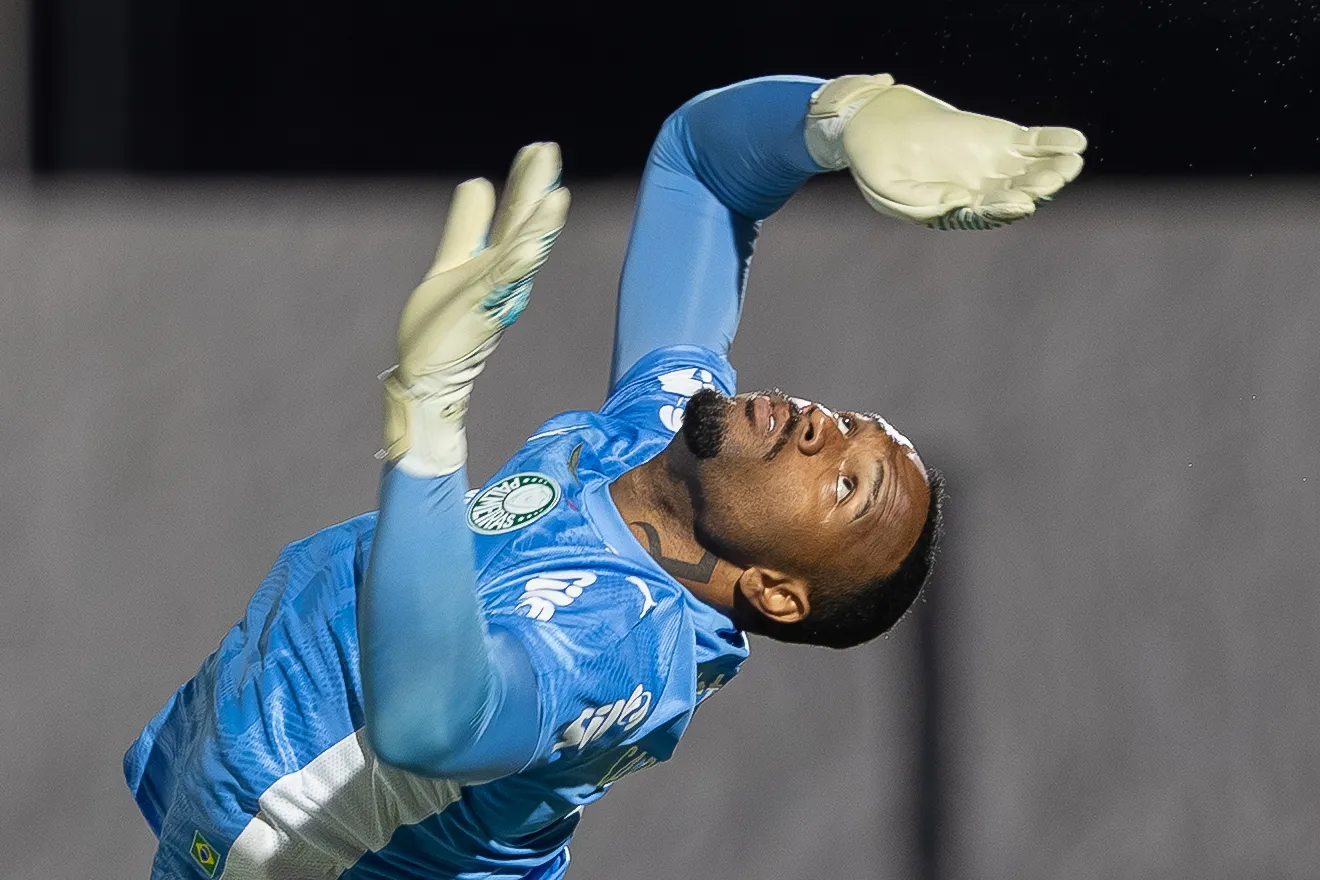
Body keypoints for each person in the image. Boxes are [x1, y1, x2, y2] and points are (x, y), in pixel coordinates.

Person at [124, 74, 1084, 879]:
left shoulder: (627, 645)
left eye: (847, 484)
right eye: (850, 426)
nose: (824, 431)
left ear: (775, 593)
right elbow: (701, 169)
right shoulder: (661, 431)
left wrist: (428, 419)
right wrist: (845, 115)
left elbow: (430, 723)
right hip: (241, 747)